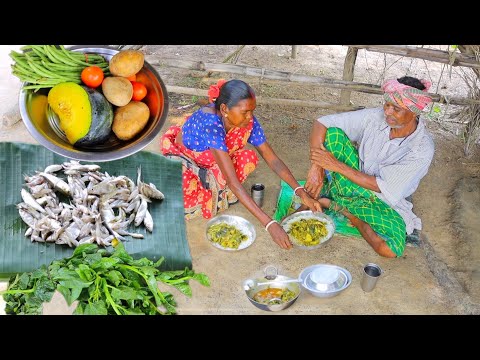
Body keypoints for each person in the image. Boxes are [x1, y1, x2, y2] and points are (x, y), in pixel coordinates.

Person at [161, 79, 322, 249]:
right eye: (245, 112)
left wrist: (300, 191)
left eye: (252, 111)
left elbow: (272, 159)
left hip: (214, 161)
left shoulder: (248, 121)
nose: (250, 117)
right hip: (189, 164)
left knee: (247, 158)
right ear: (224, 109)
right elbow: (233, 181)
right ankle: (204, 190)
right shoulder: (211, 124)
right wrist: (270, 224)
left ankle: (216, 189)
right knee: (186, 196)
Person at [304, 76, 434, 258]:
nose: (388, 112)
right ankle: (340, 198)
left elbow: (379, 186)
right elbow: (322, 122)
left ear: (414, 112)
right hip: (352, 177)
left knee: (390, 249)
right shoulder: (376, 117)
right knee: (333, 134)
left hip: (378, 198)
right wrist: (317, 166)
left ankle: (347, 211)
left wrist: (334, 165)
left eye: (396, 108)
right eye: (386, 104)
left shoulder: (422, 149)